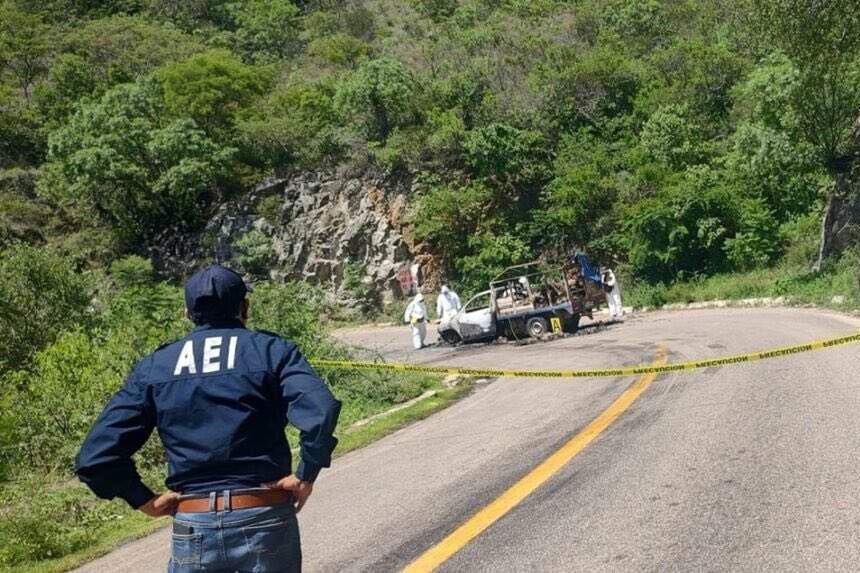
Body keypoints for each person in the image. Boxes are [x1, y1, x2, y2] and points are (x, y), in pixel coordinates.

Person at [75, 265, 341, 573]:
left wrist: (145, 500)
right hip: (264, 515)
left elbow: (95, 457)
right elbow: (320, 409)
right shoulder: (271, 351)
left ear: (187, 313)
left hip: (193, 522)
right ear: (245, 307)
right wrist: (306, 472)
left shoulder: (156, 367)